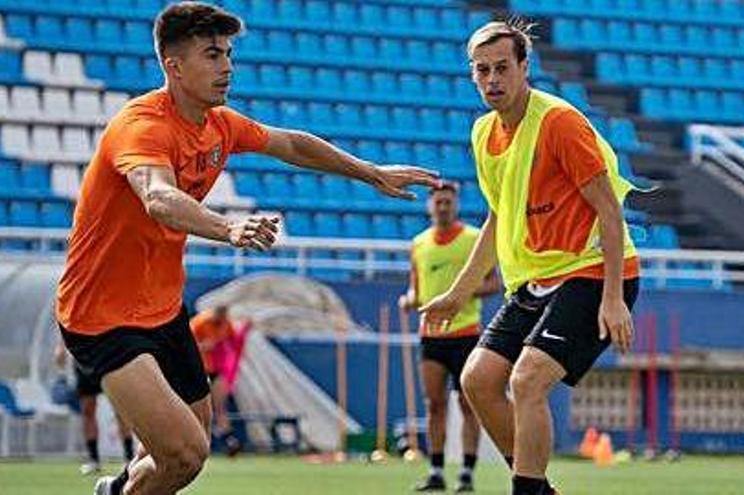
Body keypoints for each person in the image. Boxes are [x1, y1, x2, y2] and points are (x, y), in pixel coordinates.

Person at [54, 3, 439, 494]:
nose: (227, 66)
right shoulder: (143, 126)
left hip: (162, 309)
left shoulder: (219, 124)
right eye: (212, 54)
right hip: (101, 314)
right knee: (184, 455)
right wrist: (228, 228)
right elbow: (158, 197)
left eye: (229, 54)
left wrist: (372, 172)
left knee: (185, 446)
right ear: (173, 66)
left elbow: (293, 145)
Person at [420, 19, 640, 495]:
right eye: (483, 71)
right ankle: (539, 488)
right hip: (537, 281)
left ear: (525, 67)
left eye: (503, 67)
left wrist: (614, 297)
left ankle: (528, 489)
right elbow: (499, 217)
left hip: (592, 271)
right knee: (478, 380)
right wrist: (457, 293)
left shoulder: (559, 122)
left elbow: (608, 207)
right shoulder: (483, 133)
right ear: (472, 76)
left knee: (528, 379)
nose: (493, 79)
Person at [399, 181, 499, 493]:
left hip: (466, 332)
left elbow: (493, 283)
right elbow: (416, 287)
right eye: (438, 202)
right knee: (434, 404)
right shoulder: (419, 243)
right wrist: (410, 299)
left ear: (456, 205)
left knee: (468, 404)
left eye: (448, 202)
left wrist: (459, 294)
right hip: (431, 334)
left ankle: (467, 472)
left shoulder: (473, 239)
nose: (443, 207)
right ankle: (436, 471)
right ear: (430, 206)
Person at [53, 342, 136, 475]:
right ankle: (94, 460)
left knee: (120, 408)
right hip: (84, 357)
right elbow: (67, 322)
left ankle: (129, 458)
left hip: (110, 355)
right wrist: (61, 346)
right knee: (87, 409)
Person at [189, 305, 240, 456]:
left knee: (220, 406)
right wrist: (203, 346)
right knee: (199, 408)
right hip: (199, 369)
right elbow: (186, 346)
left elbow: (233, 341)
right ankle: (199, 442)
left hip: (216, 369)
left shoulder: (226, 324)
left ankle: (228, 440)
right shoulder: (199, 323)